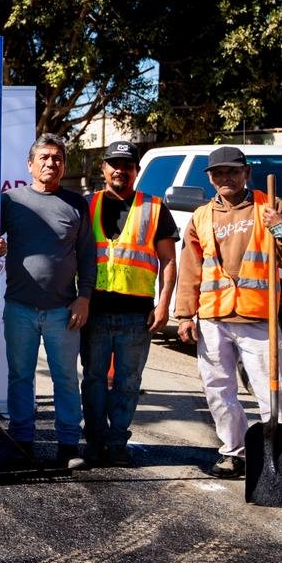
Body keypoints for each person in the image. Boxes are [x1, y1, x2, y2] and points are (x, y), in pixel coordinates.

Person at [175, 145, 282, 479]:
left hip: (258, 317)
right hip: (213, 318)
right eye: (219, 173)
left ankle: (275, 456)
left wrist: (280, 227)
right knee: (218, 389)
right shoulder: (202, 216)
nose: (226, 178)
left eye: (233, 171)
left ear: (246, 173)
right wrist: (185, 314)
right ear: (210, 178)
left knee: (274, 390)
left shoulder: (271, 206)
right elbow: (191, 268)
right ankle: (232, 452)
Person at [0, 133, 95, 470]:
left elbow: (87, 255)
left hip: (63, 310)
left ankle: (67, 444)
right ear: (30, 165)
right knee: (20, 376)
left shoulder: (77, 204)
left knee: (65, 378)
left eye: (57, 158)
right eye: (44, 158)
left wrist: (84, 298)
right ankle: (22, 441)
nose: (51, 163)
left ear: (64, 165)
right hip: (19, 307)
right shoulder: (10, 201)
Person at [80, 141, 178, 468]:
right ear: (103, 168)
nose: (120, 169)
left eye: (127, 164)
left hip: (137, 316)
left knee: (127, 382)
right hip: (93, 313)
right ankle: (94, 441)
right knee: (93, 379)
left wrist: (164, 305)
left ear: (136, 170)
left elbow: (168, 260)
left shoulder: (154, 208)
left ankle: (117, 442)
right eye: (114, 163)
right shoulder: (86, 205)